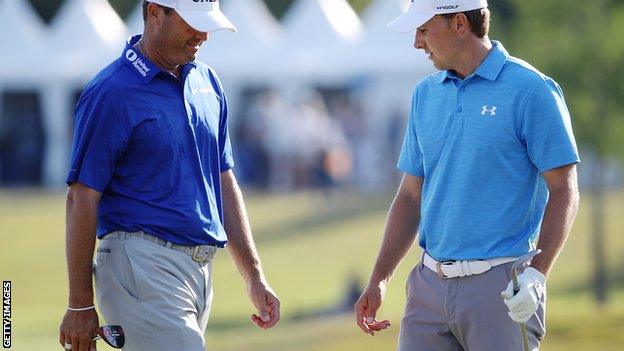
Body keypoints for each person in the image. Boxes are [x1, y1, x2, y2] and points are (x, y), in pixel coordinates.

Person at [354, 1, 580, 350]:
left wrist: (537, 274)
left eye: (424, 30)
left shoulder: (532, 89)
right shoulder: (425, 94)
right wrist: (380, 278)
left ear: (460, 23)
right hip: (428, 287)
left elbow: (564, 189)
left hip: (502, 288)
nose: (417, 43)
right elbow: (411, 195)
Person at [58, 1, 280, 350]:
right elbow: (82, 196)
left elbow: (222, 179)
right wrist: (80, 303)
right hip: (141, 265)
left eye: (208, 25)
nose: (203, 35)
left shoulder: (207, 81)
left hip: (199, 272)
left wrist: (253, 274)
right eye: (193, 23)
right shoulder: (112, 91)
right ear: (155, 14)